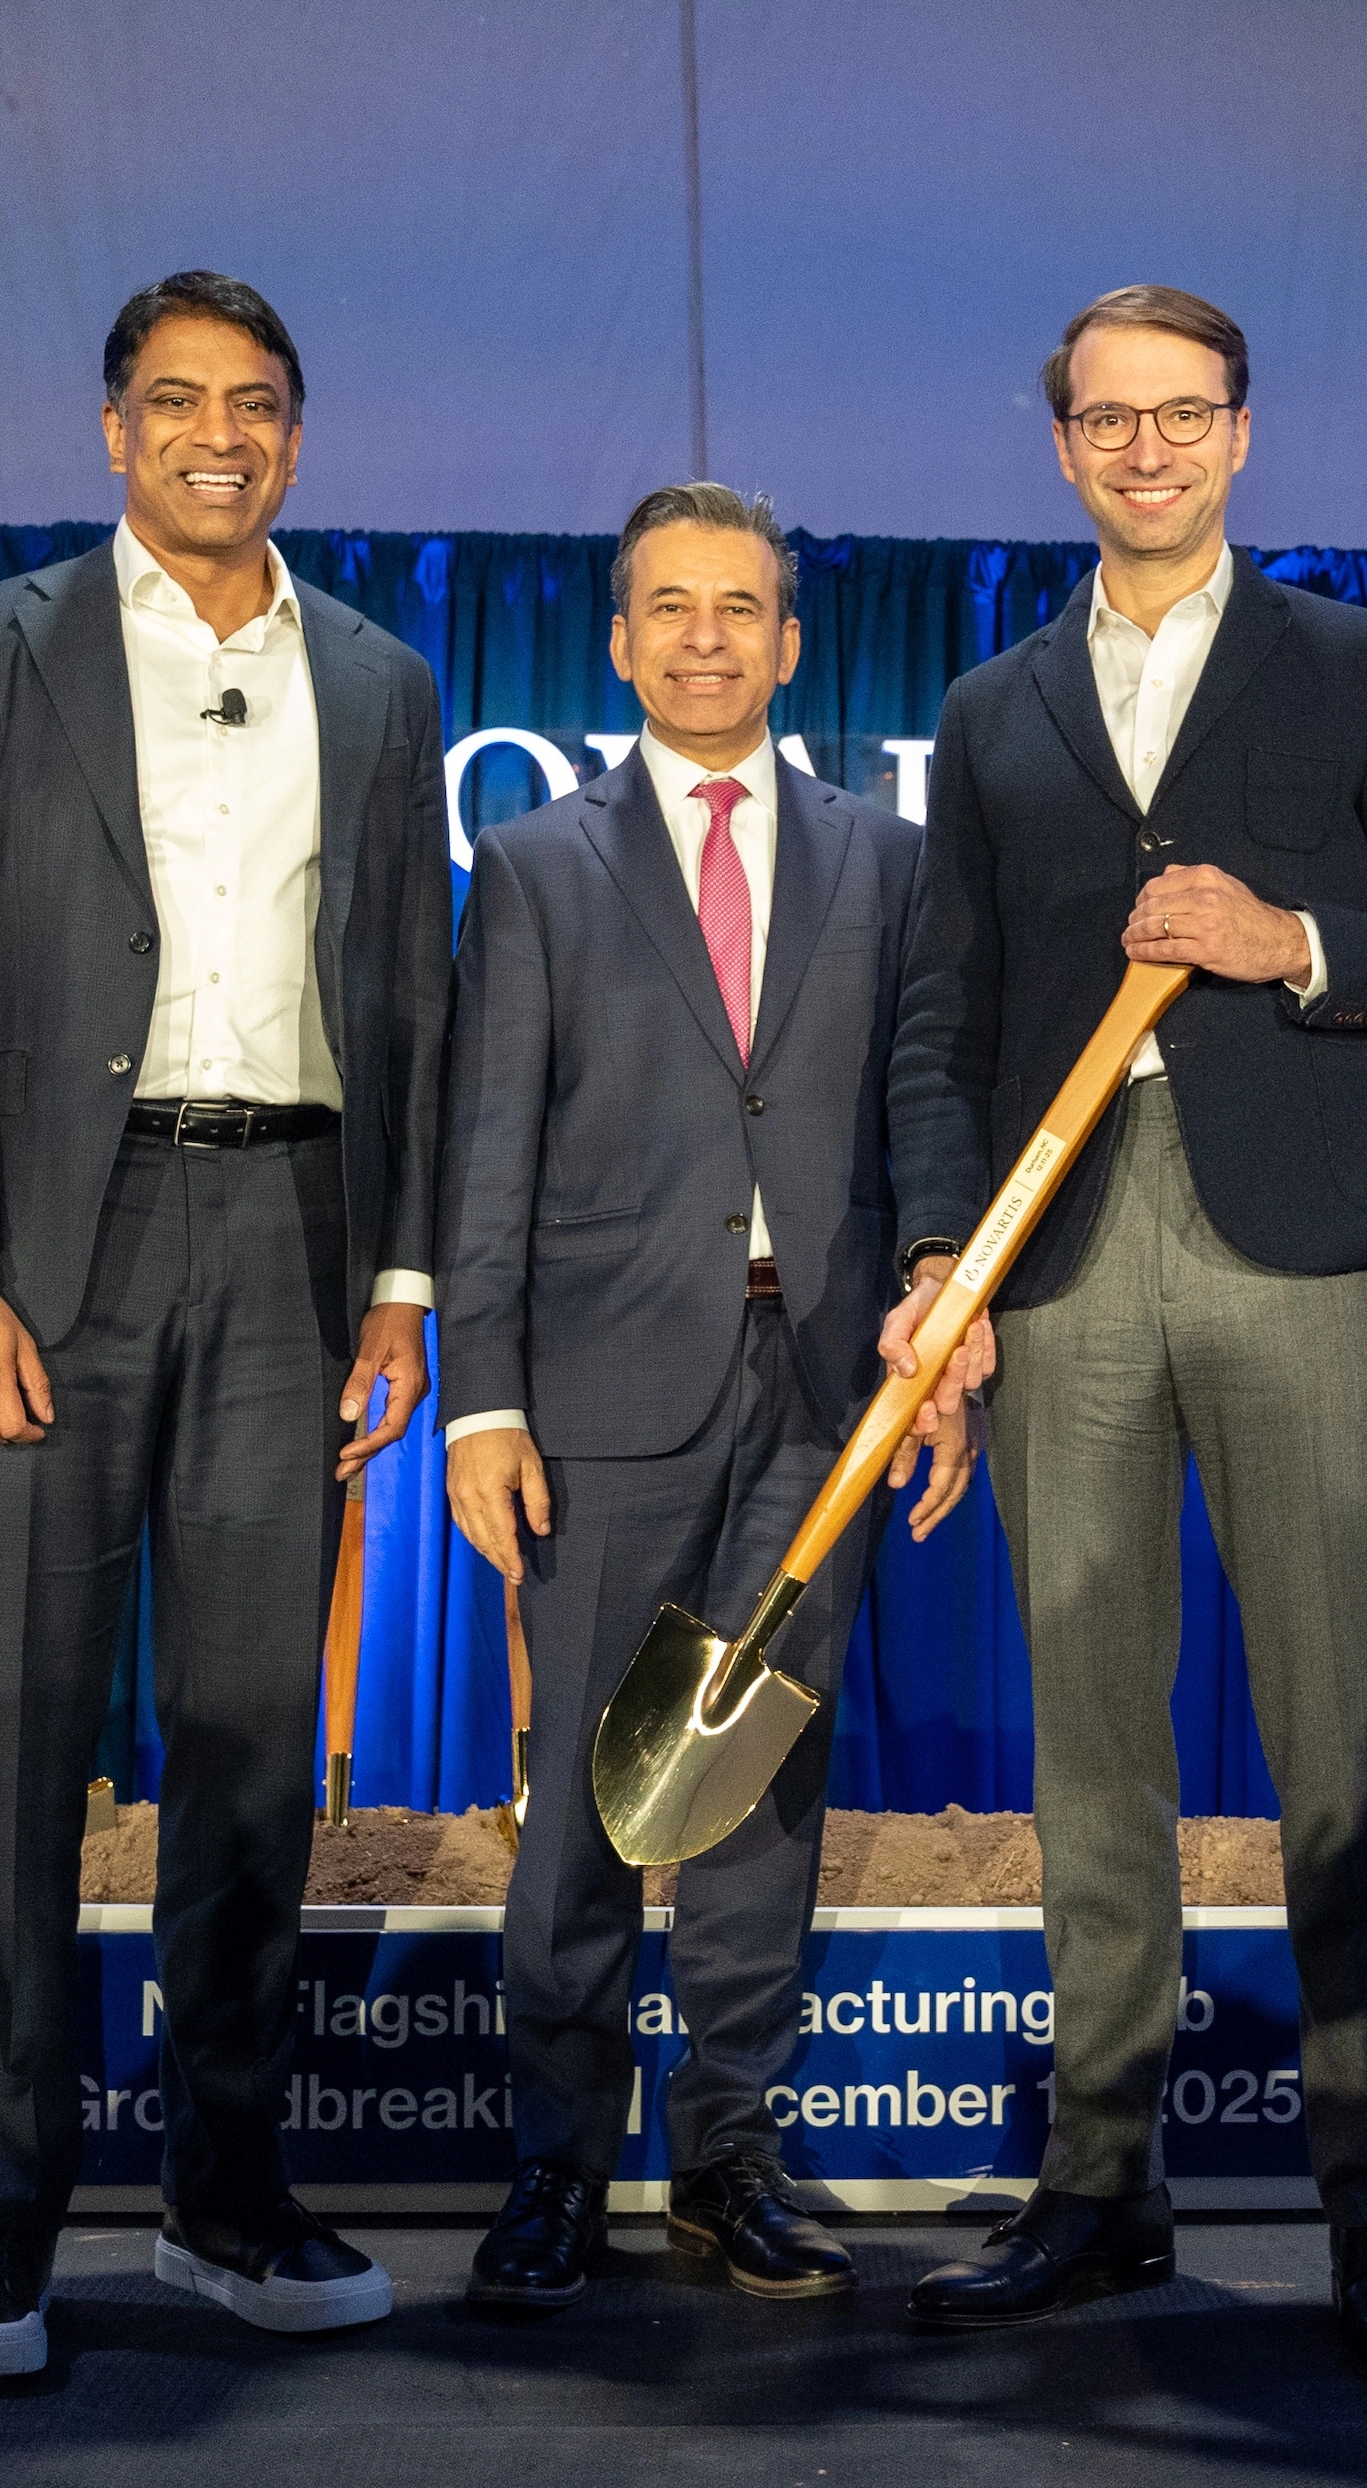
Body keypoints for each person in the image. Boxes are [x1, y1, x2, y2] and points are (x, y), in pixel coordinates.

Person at [881, 286, 1367, 2383]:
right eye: (1106, 417)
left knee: (1338, 1738)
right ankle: (1096, 2196)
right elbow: (939, 1024)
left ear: (1240, 433)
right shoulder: (991, 707)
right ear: (1057, 441)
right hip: (1059, 1260)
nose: (1143, 447)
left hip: (1297, 1262)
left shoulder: (1345, 664)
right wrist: (937, 1260)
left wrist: (1289, 943)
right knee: (1092, 1752)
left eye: (1182, 414)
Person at [0, 270, 449, 2380]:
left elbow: (406, 995)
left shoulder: (376, 679)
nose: (221, 432)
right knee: (19, 1741)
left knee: (244, 1753)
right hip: (44, 1255)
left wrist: (398, 1283)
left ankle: (227, 2192)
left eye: (260, 402)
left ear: (297, 435)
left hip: (291, 1232)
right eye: (179, 399)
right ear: (113, 428)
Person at [436, 483, 979, 2311]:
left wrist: (937, 1328)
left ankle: (729, 2155)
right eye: (667, 607)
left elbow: (922, 1116)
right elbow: (485, 1152)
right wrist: (478, 1400)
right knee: (592, 1783)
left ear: (790, 639)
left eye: (737, 607)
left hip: (828, 1389)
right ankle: (557, 2168)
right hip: (598, 1389)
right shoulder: (532, 868)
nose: (702, 637)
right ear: (617, 638)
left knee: (756, 1786)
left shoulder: (885, 862)